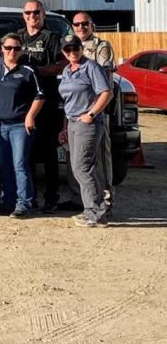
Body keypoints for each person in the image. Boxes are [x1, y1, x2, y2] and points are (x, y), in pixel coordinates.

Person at [0, 33, 44, 218]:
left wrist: (31, 116)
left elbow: (40, 95)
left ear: (21, 49)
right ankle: (7, 201)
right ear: (1, 48)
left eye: (16, 48)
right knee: (4, 164)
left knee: (20, 164)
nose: (12, 51)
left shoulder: (28, 69)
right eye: (8, 48)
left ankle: (24, 202)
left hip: (20, 125)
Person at [57, 35, 112, 227]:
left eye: (75, 48)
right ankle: (90, 209)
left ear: (81, 48)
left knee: (82, 166)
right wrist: (64, 126)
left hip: (87, 123)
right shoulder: (67, 70)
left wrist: (91, 113)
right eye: (67, 49)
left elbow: (106, 92)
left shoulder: (91, 67)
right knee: (77, 167)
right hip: (72, 123)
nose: (72, 52)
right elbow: (67, 101)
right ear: (63, 52)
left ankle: (98, 212)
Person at [64, 12, 116, 213]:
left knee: (99, 159)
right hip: (74, 114)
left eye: (85, 23)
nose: (81, 27)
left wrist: (92, 112)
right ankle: (80, 199)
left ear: (92, 25)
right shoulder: (70, 46)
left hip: (94, 113)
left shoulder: (101, 47)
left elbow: (106, 84)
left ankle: (105, 200)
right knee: (75, 160)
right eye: (76, 24)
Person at [17, 0, 66, 213]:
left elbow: (60, 65)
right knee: (25, 154)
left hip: (47, 102)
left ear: (43, 14)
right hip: (21, 103)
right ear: (23, 15)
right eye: (28, 13)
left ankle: (51, 197)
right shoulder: (17, 38)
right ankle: (30, 196)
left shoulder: (52, 38)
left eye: (36, 12)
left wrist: (34, 70)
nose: (32, 16)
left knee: (48, 154)